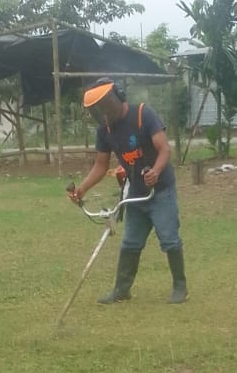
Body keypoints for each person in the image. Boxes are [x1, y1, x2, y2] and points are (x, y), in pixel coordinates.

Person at [69, 80, 187, 304]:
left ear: (118, 97)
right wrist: (82, 189)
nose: (103, 115)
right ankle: (121, 290)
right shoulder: (105, 130)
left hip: (161, 190)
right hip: (136, 193)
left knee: (169, 239)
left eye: (104, 107)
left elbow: (164, 149)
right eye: (97, 111)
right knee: (131, 242)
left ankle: (180, 288)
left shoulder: (143, 115)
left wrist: (156, 171)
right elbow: (101, 165)